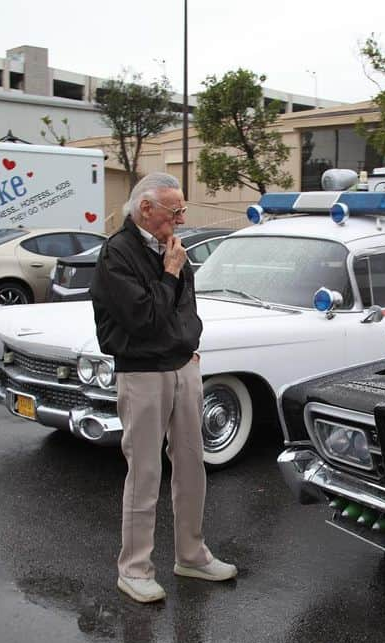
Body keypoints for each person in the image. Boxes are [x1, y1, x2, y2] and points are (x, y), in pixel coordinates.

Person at [90, 172, 237, 603]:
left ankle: (191, 555)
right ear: (146, 209)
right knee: (146, 471)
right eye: (175, 211)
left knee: (192, 463)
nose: (181, 218)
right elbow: (143, 318)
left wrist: (188, 346)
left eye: (182, 210)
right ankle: (134, 569)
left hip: (181, 365)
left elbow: (186, 311)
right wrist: (169, 275)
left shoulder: (173, 250)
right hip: (142, 373)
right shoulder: (116, 254)